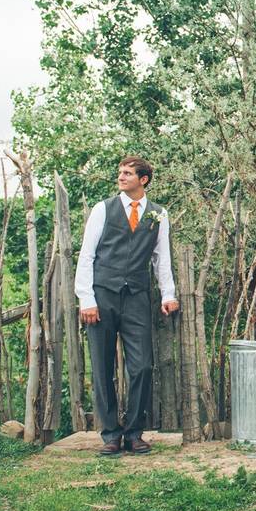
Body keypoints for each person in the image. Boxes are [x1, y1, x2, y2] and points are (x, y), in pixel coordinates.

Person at [75, 156, 179, 455]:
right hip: (102, 296)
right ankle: (110, 434)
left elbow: (162, 257)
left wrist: (168, 294)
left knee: (142, 365)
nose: (121, 177)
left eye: (128, 173)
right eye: (120, 172)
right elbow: (87, 255)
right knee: (103, 367)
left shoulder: (158, 214)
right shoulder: (103, 209)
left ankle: (134, 432)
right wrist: (87, 298)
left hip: (136, 297)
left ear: (143, 179)